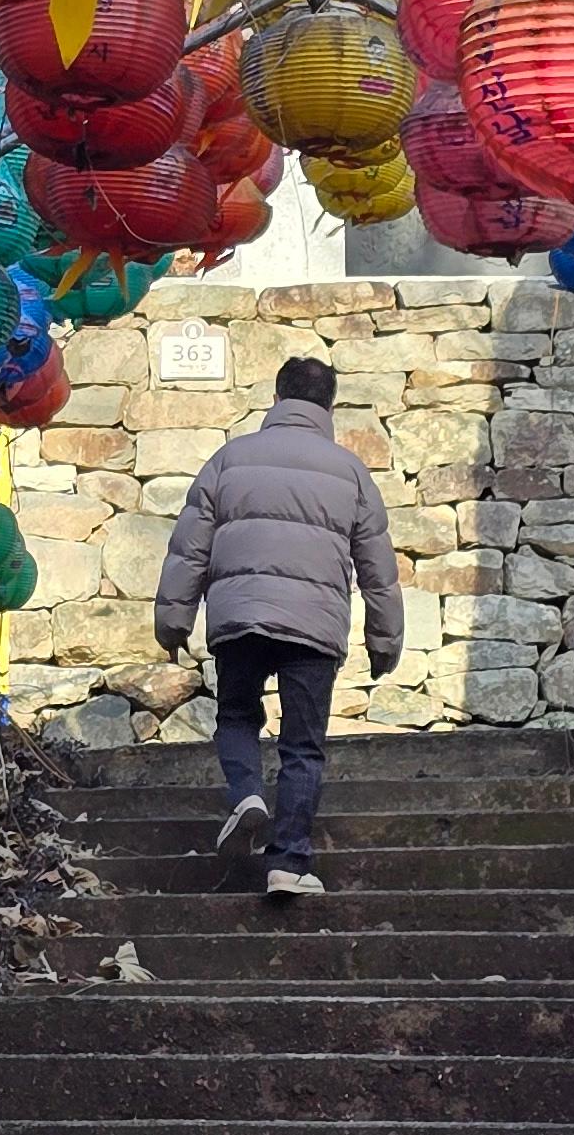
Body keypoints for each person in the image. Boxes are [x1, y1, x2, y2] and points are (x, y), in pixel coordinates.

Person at [153, 354, 404, 898]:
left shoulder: (229, 459)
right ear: (329, 406)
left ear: (276, 398)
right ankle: (287, 864)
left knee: (237, 716)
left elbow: (189, 548)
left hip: (240, 615)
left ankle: (247, 793)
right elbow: (377, 568)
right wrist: (384, 642)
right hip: (313, 626)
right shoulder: (350, 471)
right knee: (302, 747)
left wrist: (174, 621)